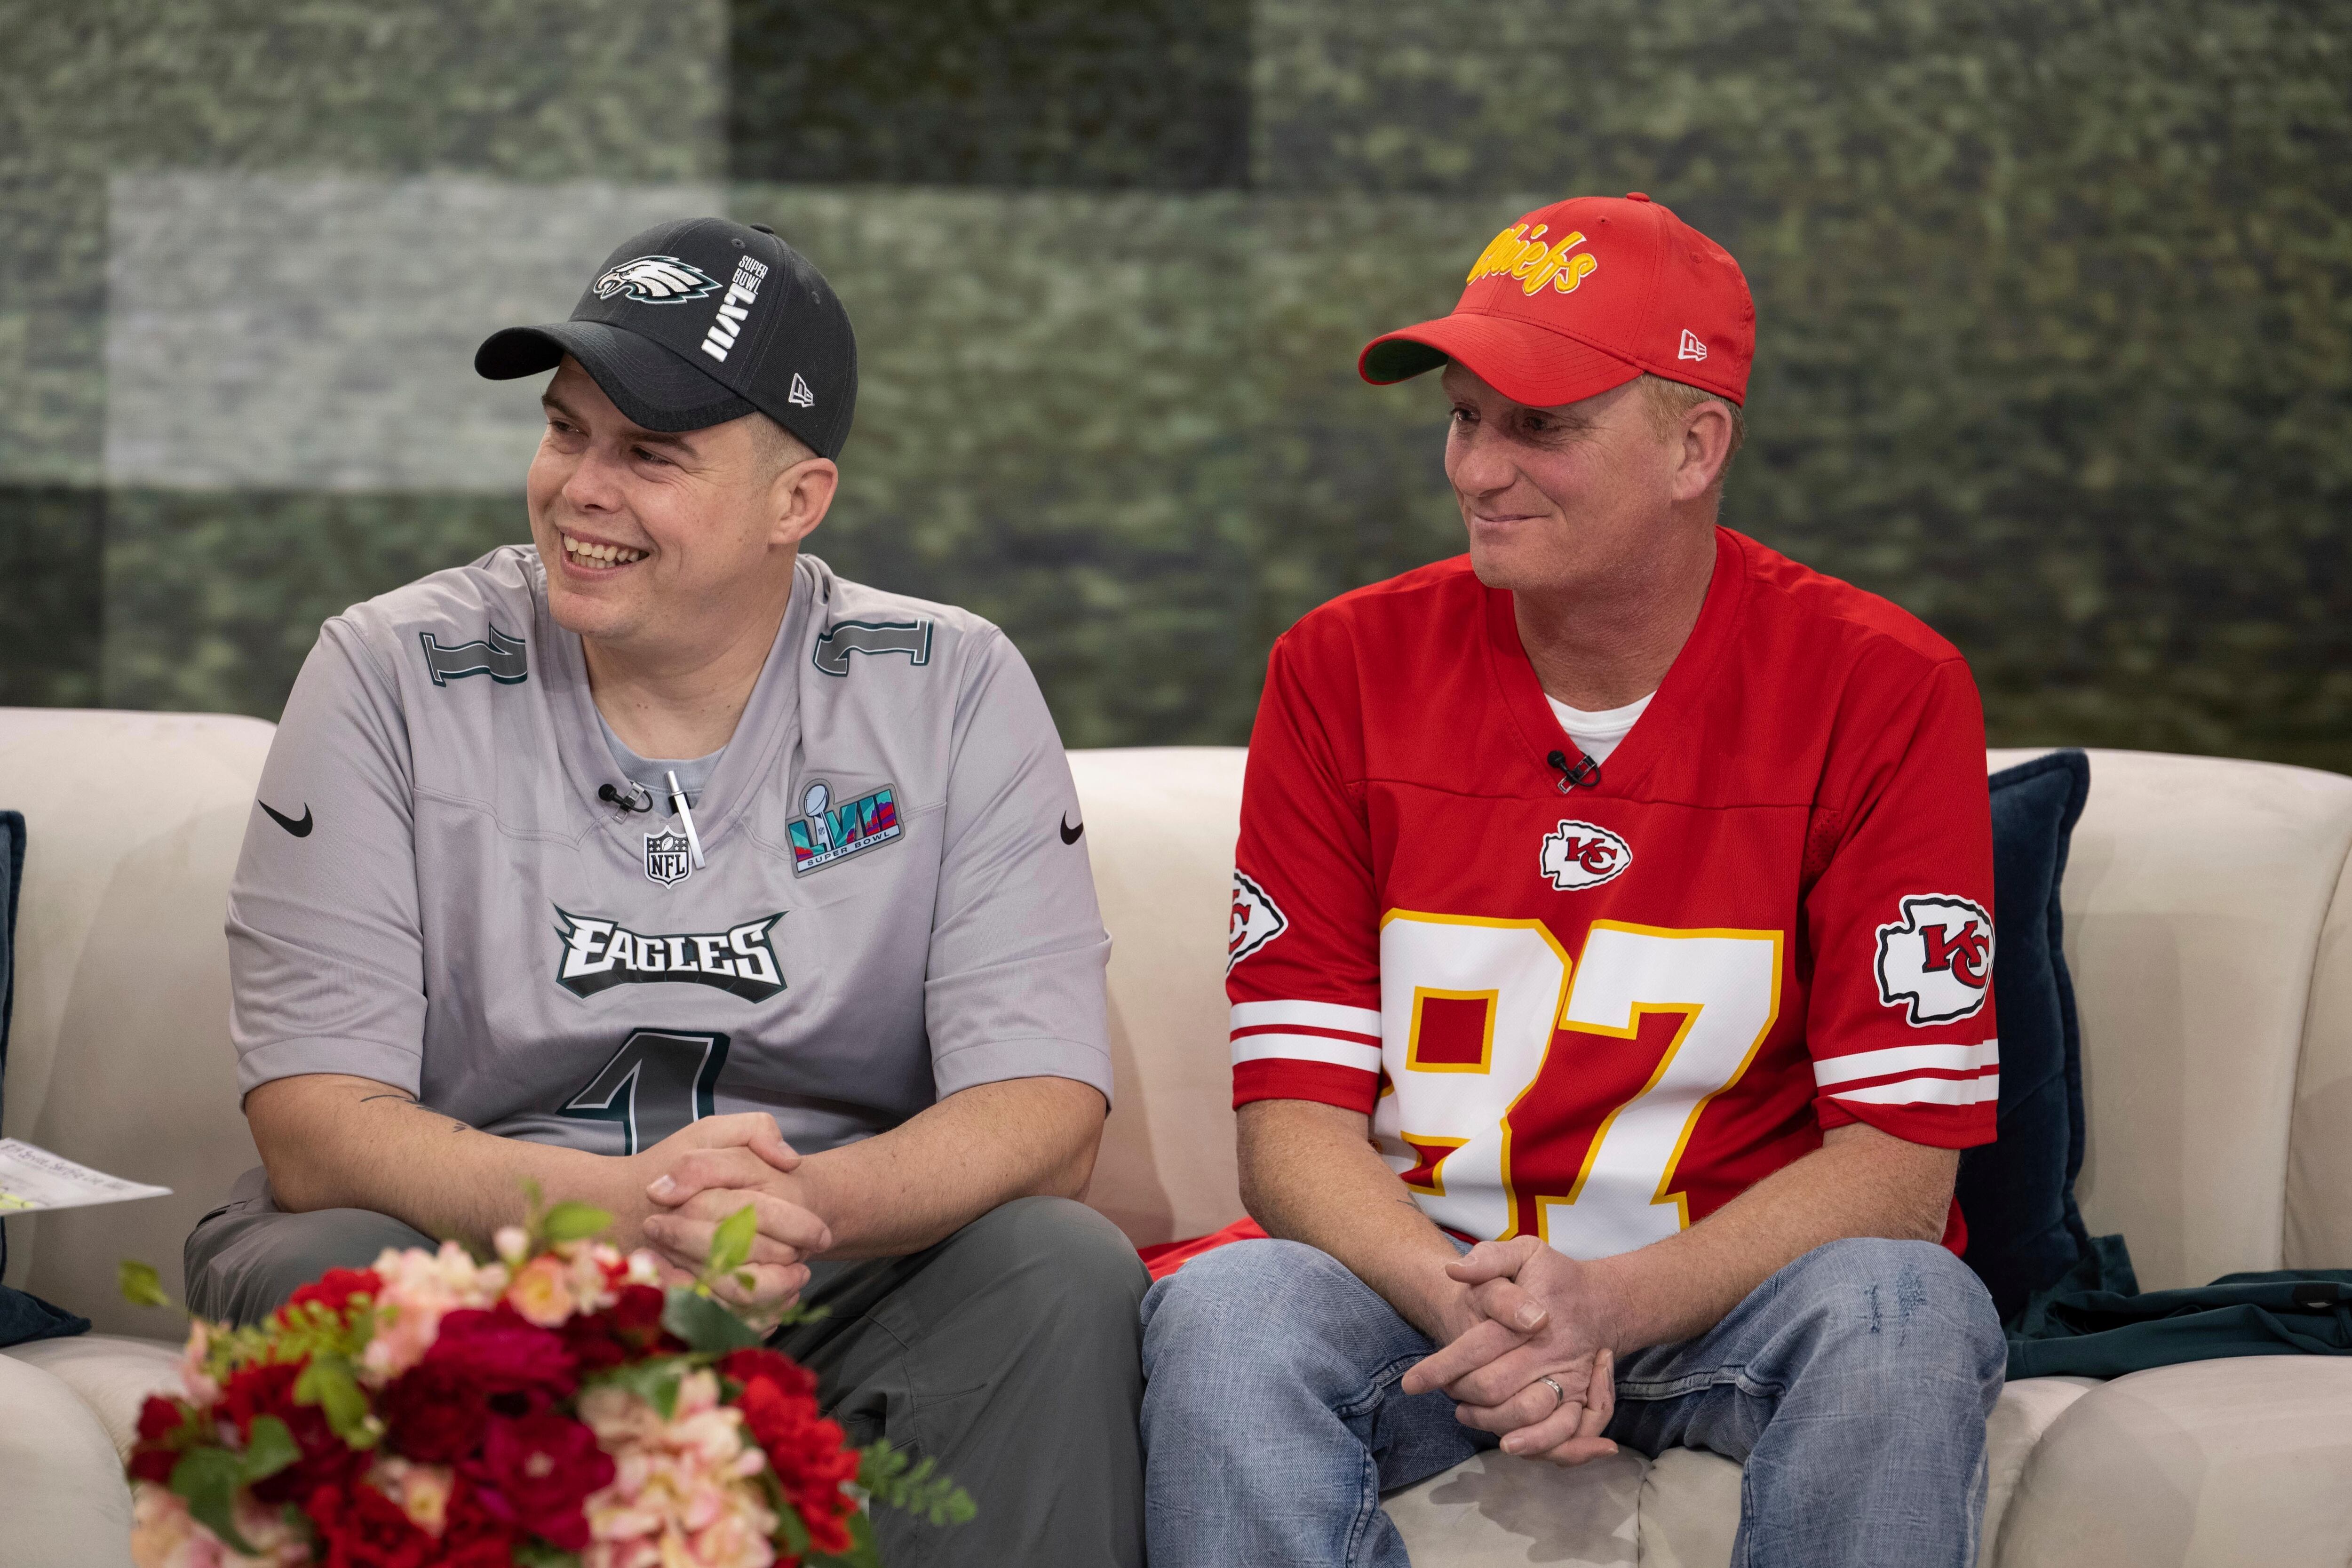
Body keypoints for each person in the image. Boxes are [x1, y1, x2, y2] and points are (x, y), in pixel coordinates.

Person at [184, 217, 1147, 1566]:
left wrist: (797, 1213)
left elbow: (1043, 1113)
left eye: (650, 454)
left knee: (1062, 1268)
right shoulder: (390, 670)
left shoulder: (951, 688)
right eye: (566, 430)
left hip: (819, 1266)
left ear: (795, 501)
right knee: (313, 1268)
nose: (582, 487)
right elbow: (313, 1123)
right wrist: (617, 1218)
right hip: (477, 1255)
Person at [1140, 193, 2007, 1567]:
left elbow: (1901, 1169)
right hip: (1432, 1294)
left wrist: (1609, 1305)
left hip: (1738, 1297)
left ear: (1694, 445)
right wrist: (1468, 1308)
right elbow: (1294, 1121)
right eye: (1466, 417)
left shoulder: (1883, 687)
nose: (1479, 469)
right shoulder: (1338, 670)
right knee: (1228, 1314)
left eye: (1541, 425)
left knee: (1907, 1304)